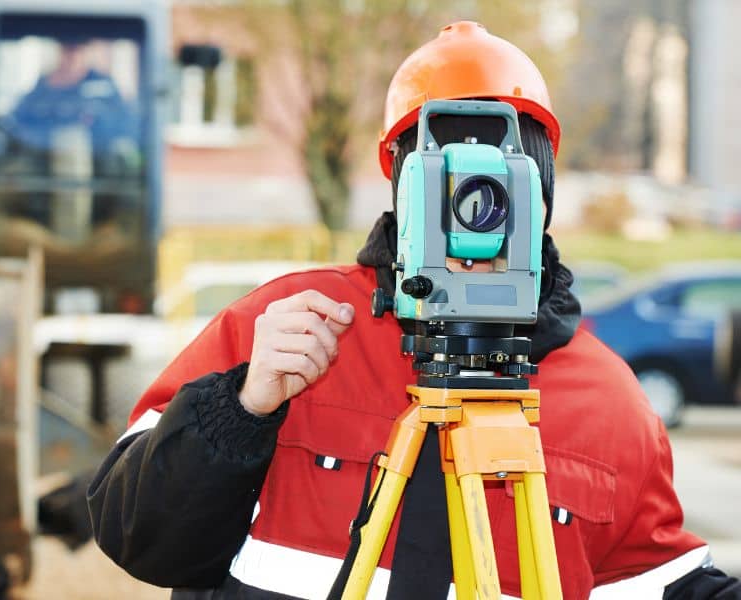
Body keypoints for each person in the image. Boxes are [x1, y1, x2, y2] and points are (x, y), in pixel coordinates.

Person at [87, 22, 741, 599]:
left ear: (538, 188)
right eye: (447, 182)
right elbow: (138, 538)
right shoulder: (292, 327)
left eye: (496, 185)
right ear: (403, 187)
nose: (474, 216)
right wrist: (241, 408)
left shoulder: (609, 402)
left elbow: (657, 584)